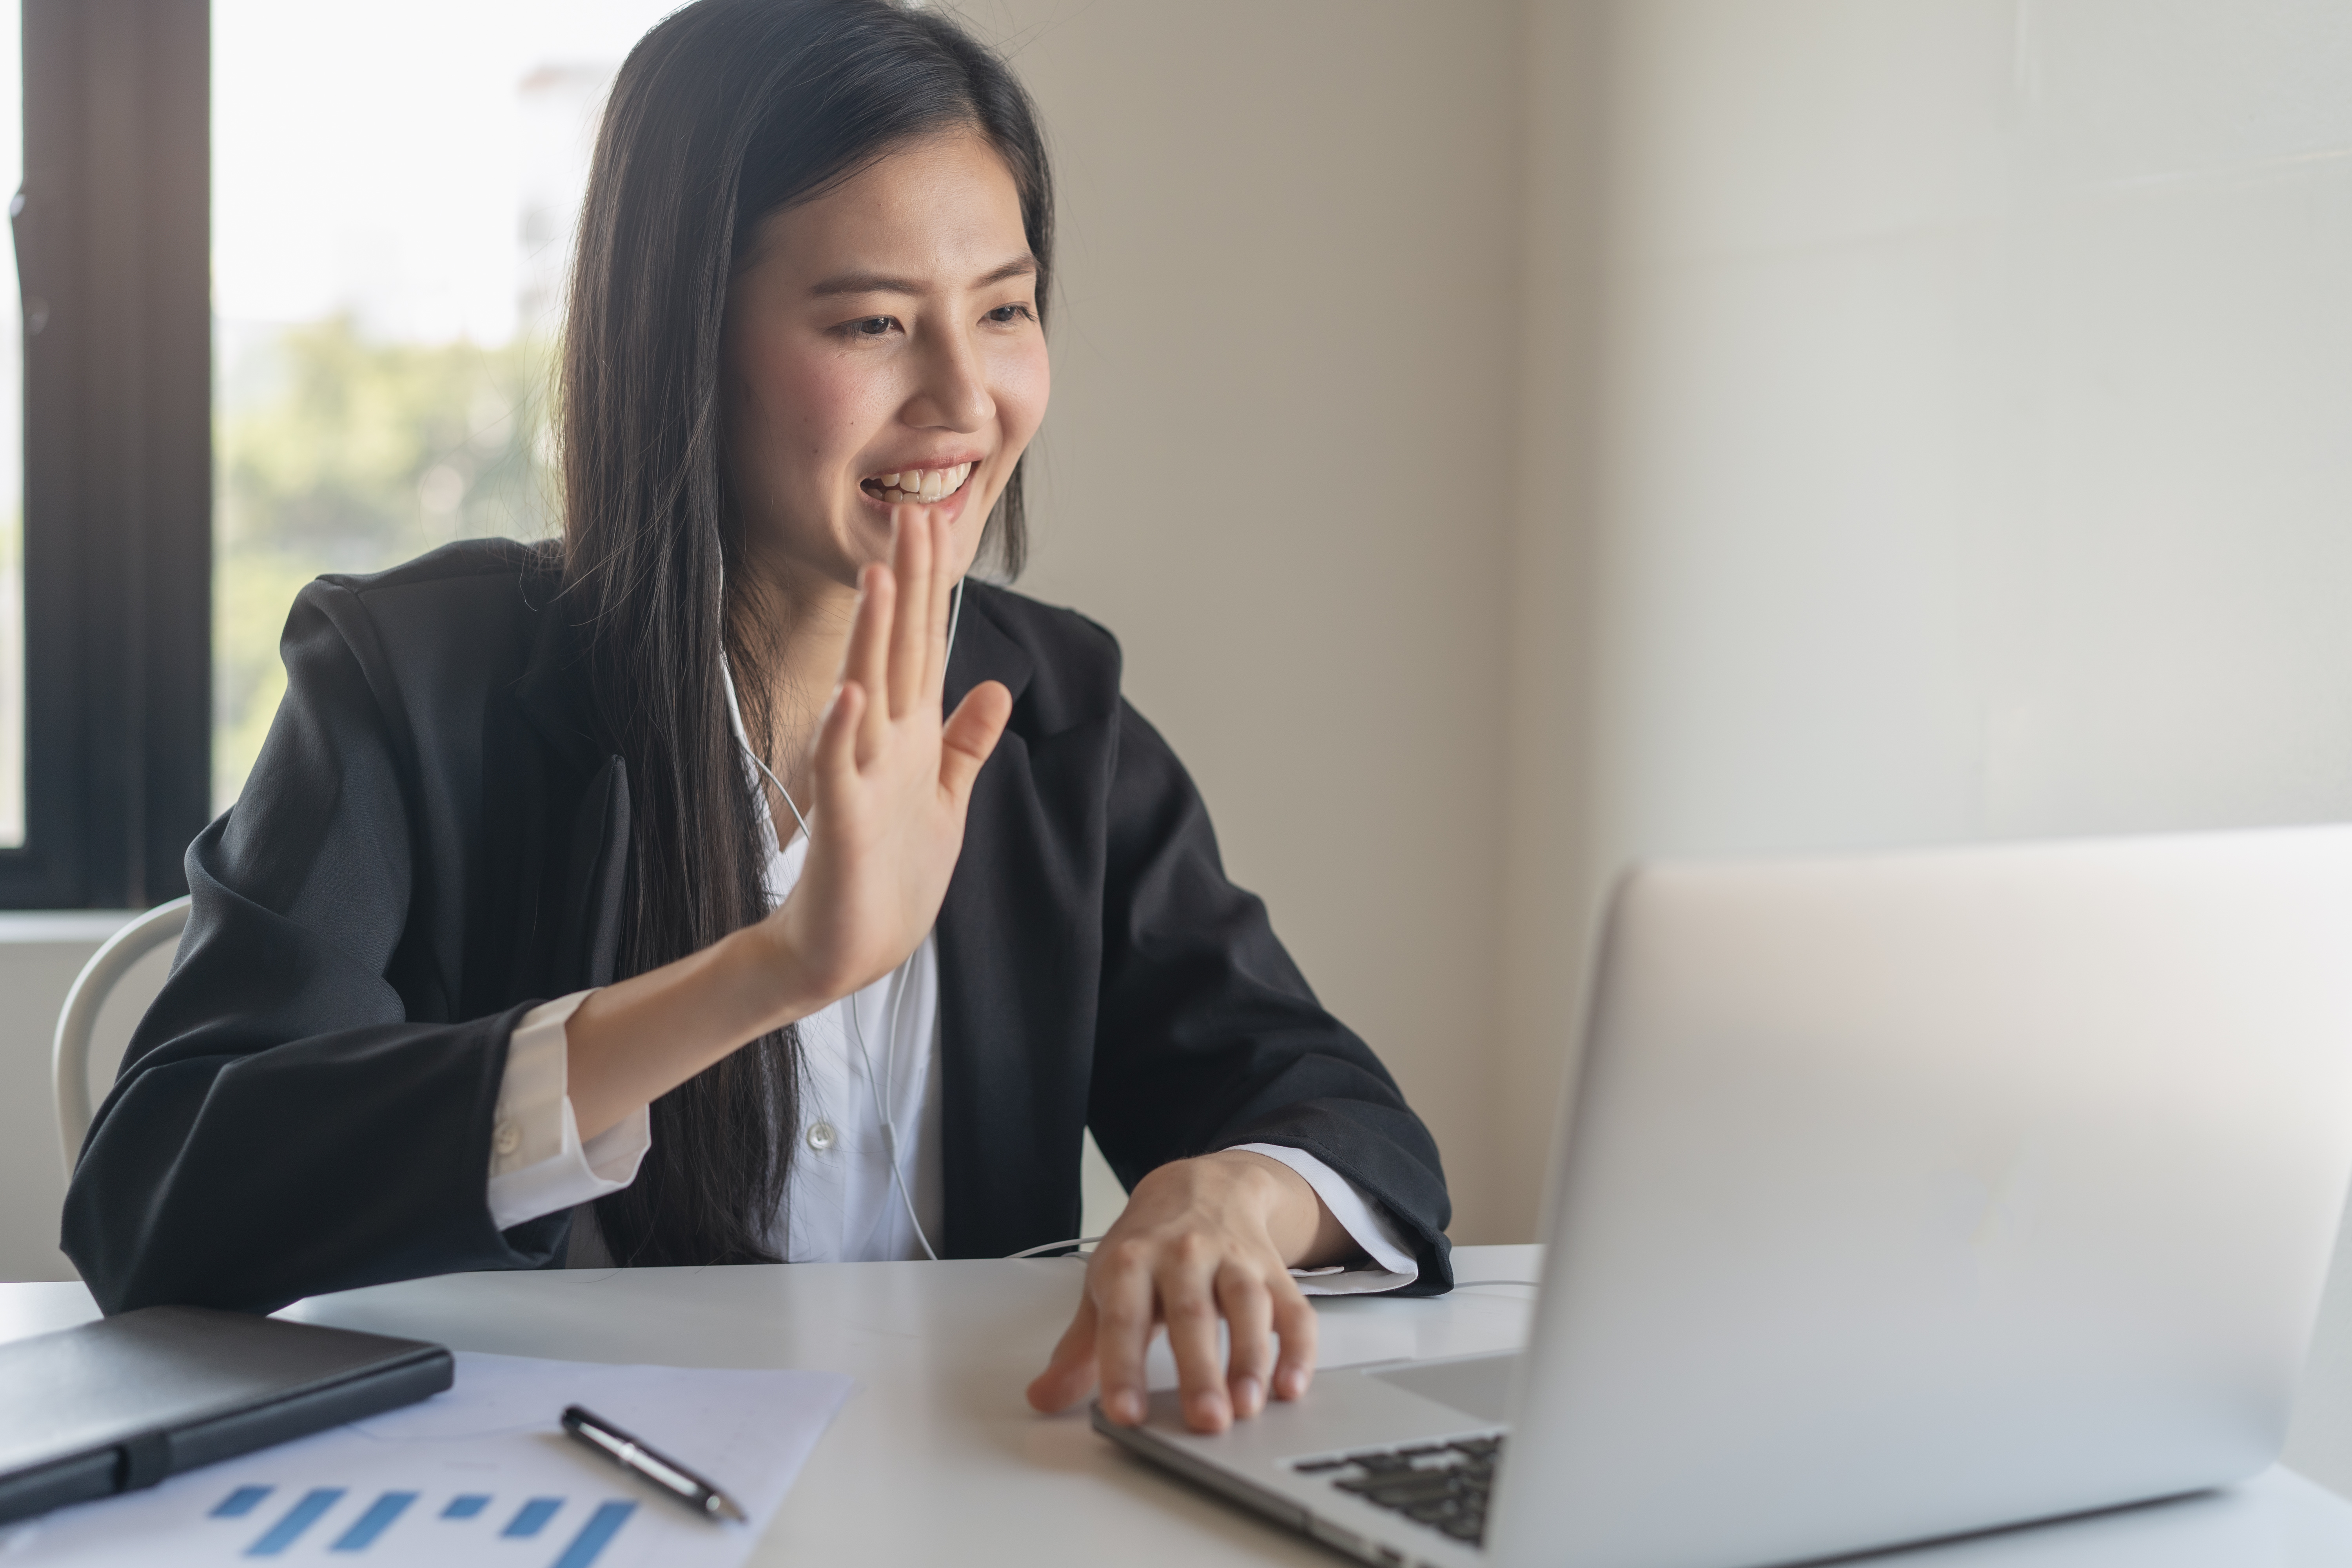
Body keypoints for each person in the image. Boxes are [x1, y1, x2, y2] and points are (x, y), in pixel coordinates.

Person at [61, 0, 1450, 1438]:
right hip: (547, 1483)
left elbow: (1338, 1115)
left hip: (948, 1485)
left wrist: (1235, 1194)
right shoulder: (412, 680)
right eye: (872, 323)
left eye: (1006, 307)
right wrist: (773, 971)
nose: (966, 399)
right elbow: (160, 1204)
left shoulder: (1055, 713)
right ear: (685, 336)